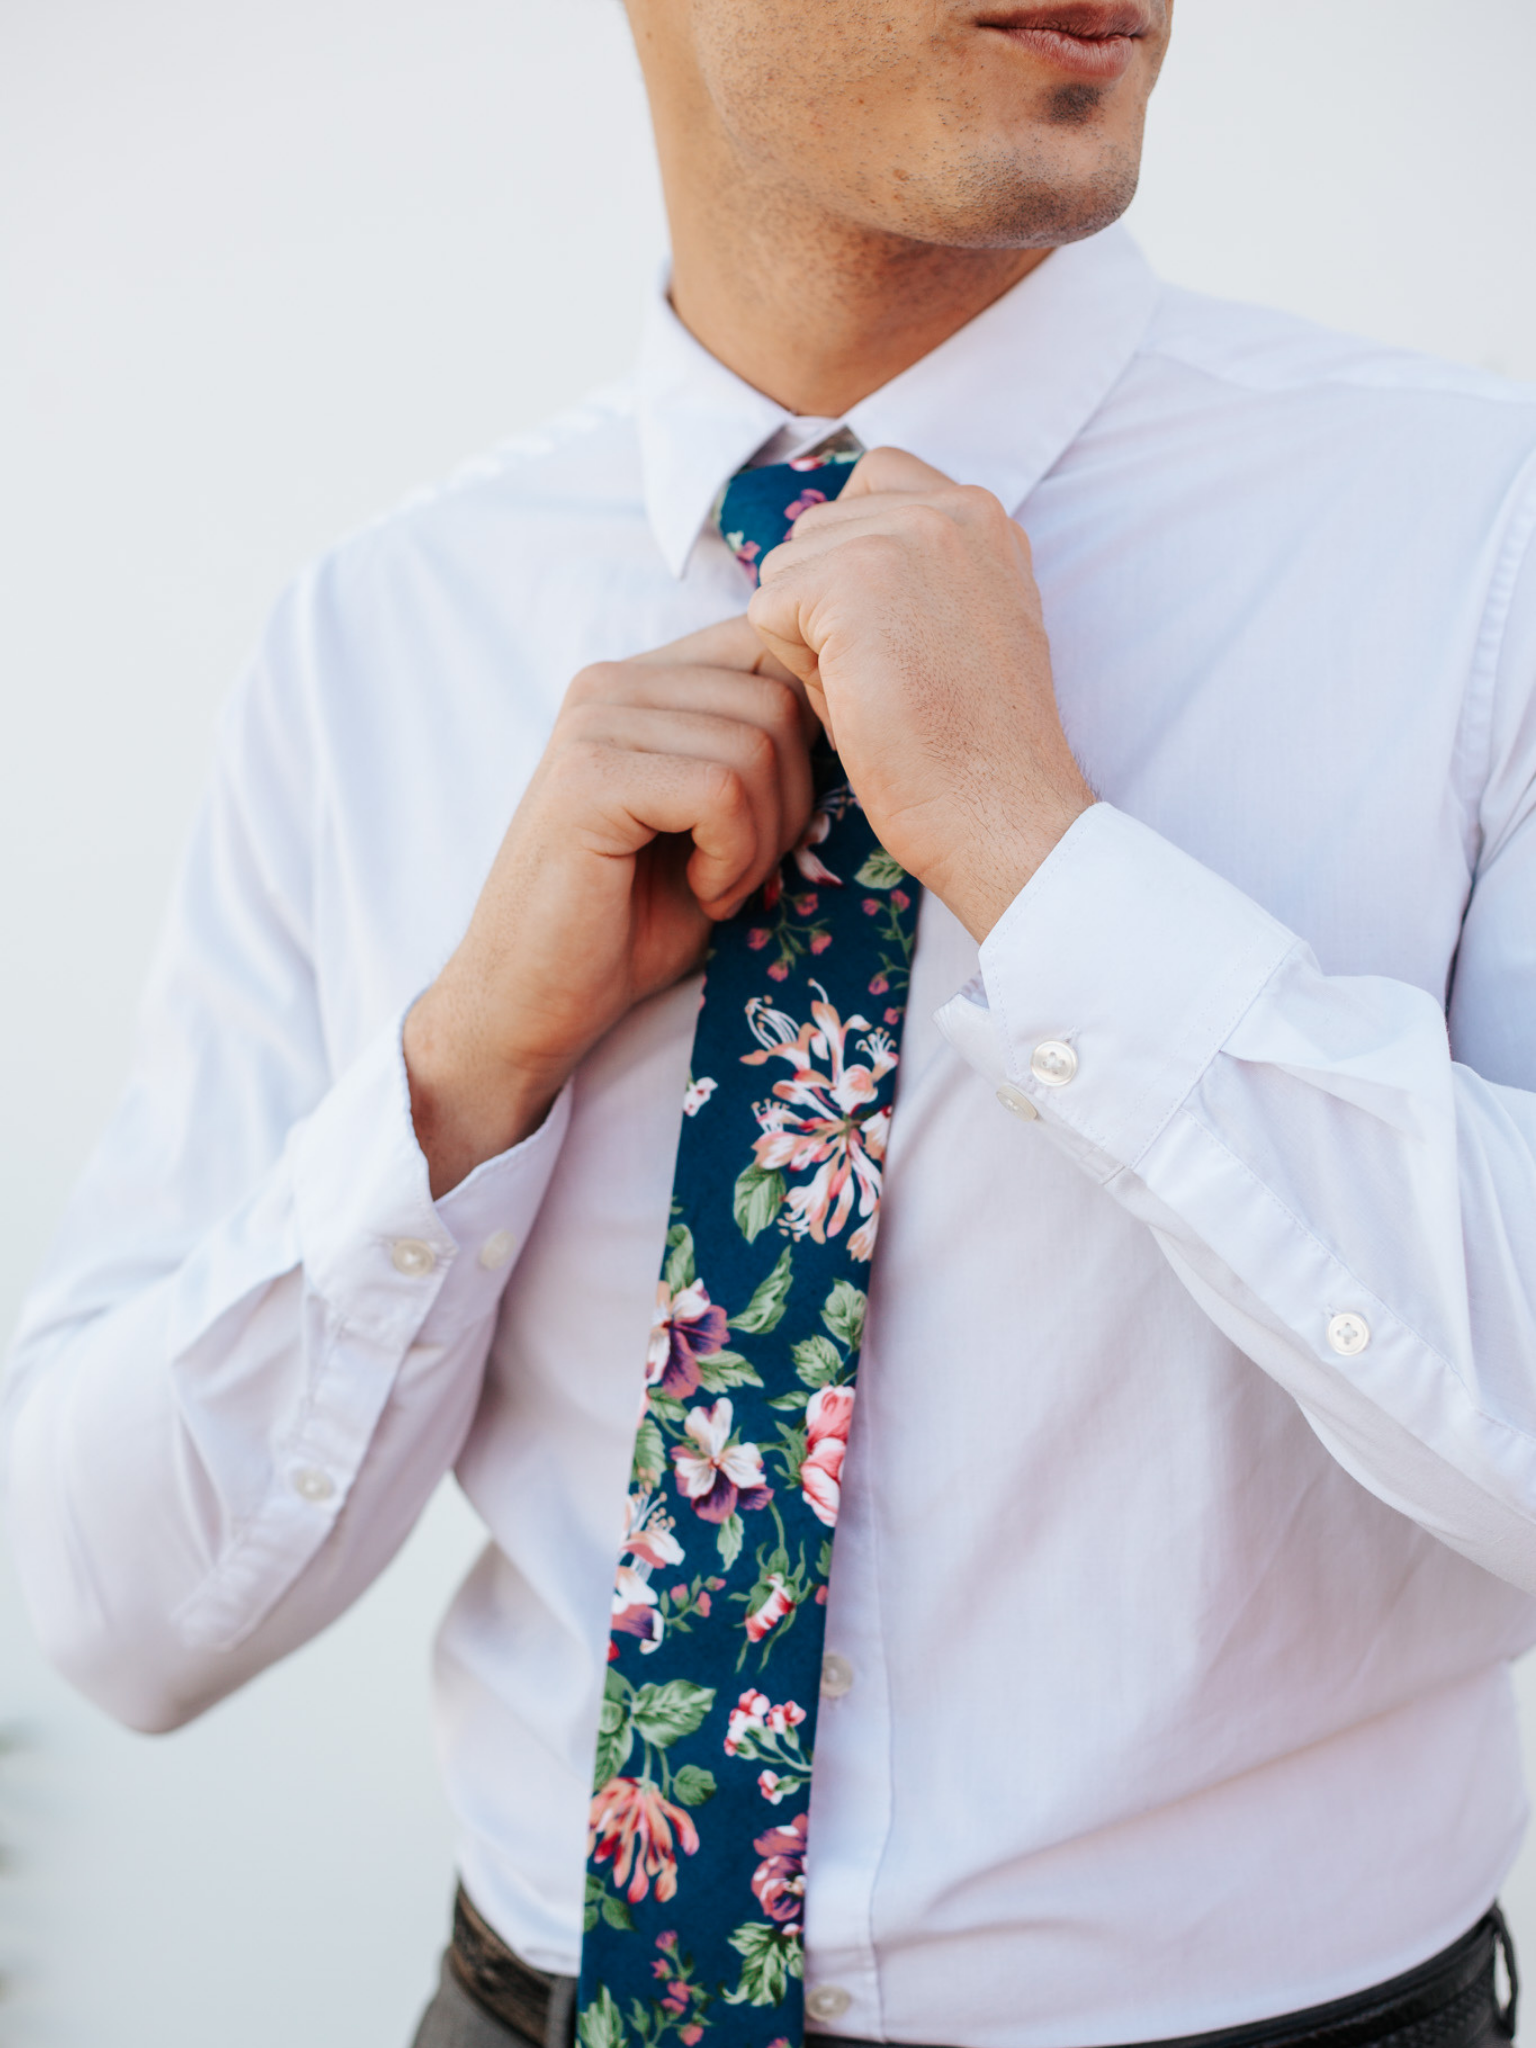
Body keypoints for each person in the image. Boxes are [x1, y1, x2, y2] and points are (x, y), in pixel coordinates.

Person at [7, 2, 1536, 2044]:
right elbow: (118, 1613)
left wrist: (1045, 864)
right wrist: (462, 1071)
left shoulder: (1479, 537)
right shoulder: (383, 631)